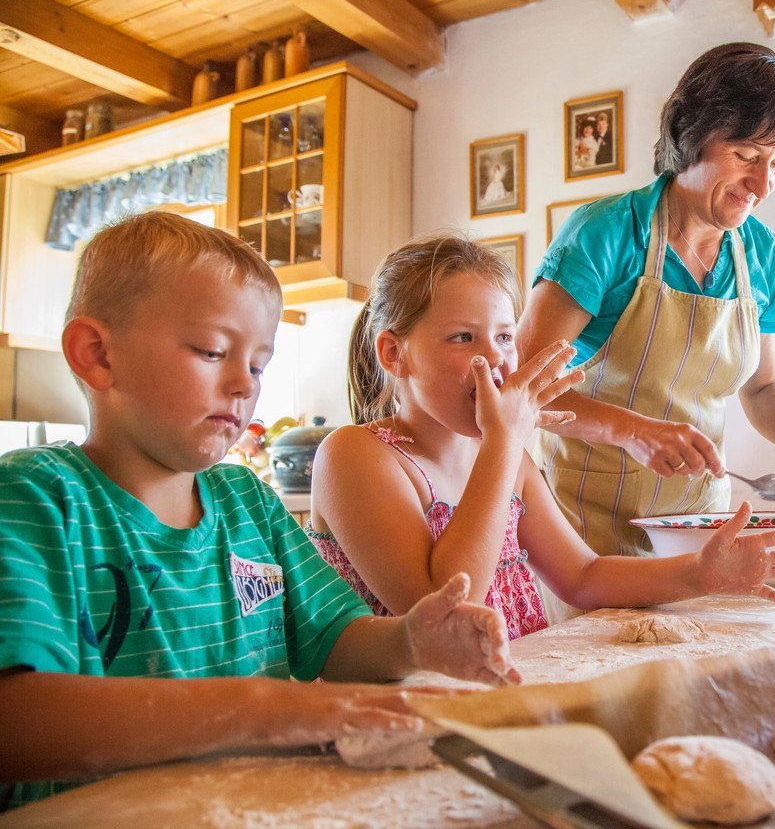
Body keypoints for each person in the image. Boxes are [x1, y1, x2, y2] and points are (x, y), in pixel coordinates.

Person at [0, 213, 518, 809]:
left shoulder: (247, 502)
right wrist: (262, 708)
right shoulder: (38, 501)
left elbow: (336, 638)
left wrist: (408, 642)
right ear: (97, 354)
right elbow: (15, 721)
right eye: (213, 351)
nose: (244, 386)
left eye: (257, 365)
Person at [307, 236, 775, 634]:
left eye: (505, 336)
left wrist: (701, 574)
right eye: (463, 337)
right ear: (395, 354)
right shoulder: (355, 456)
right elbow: (440, 610)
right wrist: (505, 444)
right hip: (400, 719)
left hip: (500, 697)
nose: (496, 359)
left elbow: (584, 575)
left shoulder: (506, 460)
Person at [518, 43, 775, 558]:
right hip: (581, 524)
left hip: (696, 526)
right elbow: (524, 387)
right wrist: (632, 431)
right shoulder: (606, 232)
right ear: (691, 136)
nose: (763, 184)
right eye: (746, 156)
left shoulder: (764, 258)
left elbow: (763, 387)